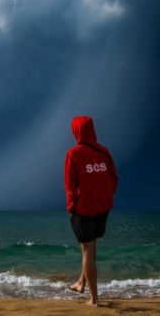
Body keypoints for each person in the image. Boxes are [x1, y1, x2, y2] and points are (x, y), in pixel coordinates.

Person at [64, 115, 118, 306]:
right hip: (102, 208)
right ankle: (80, 282)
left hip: (84, 209)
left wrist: (71, 208)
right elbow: (113, 178)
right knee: (91, 247)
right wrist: (105, 198)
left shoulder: (74, 153)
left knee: (87, 250)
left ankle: (94, 299)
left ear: (76, 131)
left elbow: (70, 186)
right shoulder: (104, 151)